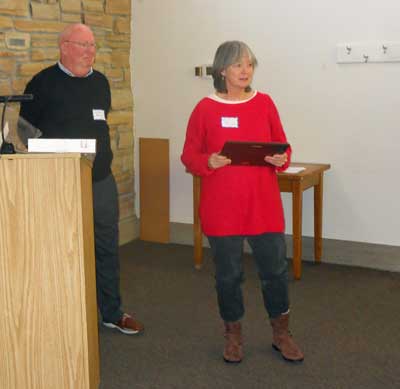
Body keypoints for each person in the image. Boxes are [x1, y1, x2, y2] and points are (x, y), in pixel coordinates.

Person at [181, 41, 303, 363]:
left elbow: (284, 148)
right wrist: (209, 162)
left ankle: (281, 334)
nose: (245, 70)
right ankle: (233, 335)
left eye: (249, 64)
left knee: (275, 271)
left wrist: (281, 159)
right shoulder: (204, 108)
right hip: (222, 208)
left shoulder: (264, 103)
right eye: (238, 65)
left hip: (263, 205)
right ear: (222, 70)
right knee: (228, 275)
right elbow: (189, 156)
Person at [19, 23, 144, 335]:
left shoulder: (100, 82)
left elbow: (97, 123)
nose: (89, 52)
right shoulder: (42, 83)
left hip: (100, 180)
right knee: (60, 248)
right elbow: (24, 133)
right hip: (57, 184)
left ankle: (112, 312)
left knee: (106, 247)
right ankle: (61, 315)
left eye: (92, 46)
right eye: (82, 45)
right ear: (63, 46)